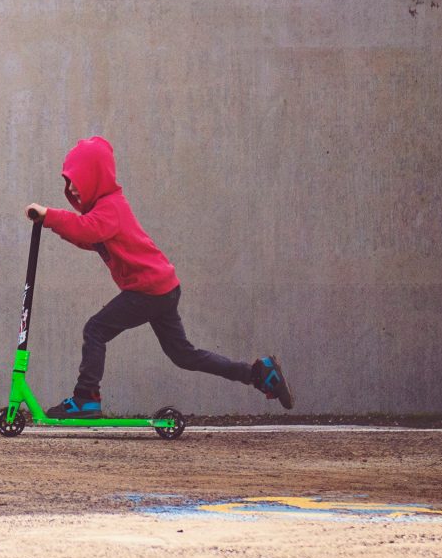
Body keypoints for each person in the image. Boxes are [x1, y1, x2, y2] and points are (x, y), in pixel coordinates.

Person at [26, 135, 294, 417]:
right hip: (160, 288)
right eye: (68, 183)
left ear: (95, 176)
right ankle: (258, 373)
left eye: (76, 181)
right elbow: (90, 238)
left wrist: (51, 216)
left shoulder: (111, 207)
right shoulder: (104, 211)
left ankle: (86, 398)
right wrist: (50, 223)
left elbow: (88, 230)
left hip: (148, 290)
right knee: (183, 355)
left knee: (95, 329)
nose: (72, 189)